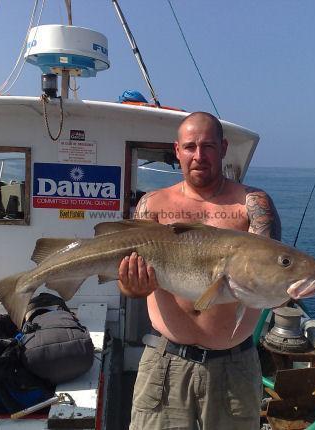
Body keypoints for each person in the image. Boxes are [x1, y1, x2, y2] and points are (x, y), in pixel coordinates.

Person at [118, 112, 281, 430]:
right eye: (190, 146)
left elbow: (268, 271)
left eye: (207, 146)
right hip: (166, 362)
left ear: (223, 148)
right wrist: (131, 287)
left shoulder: (251, 204)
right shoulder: (152, 204)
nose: (199, 155)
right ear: (177, 150)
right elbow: (128, 282)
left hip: (234, 364)